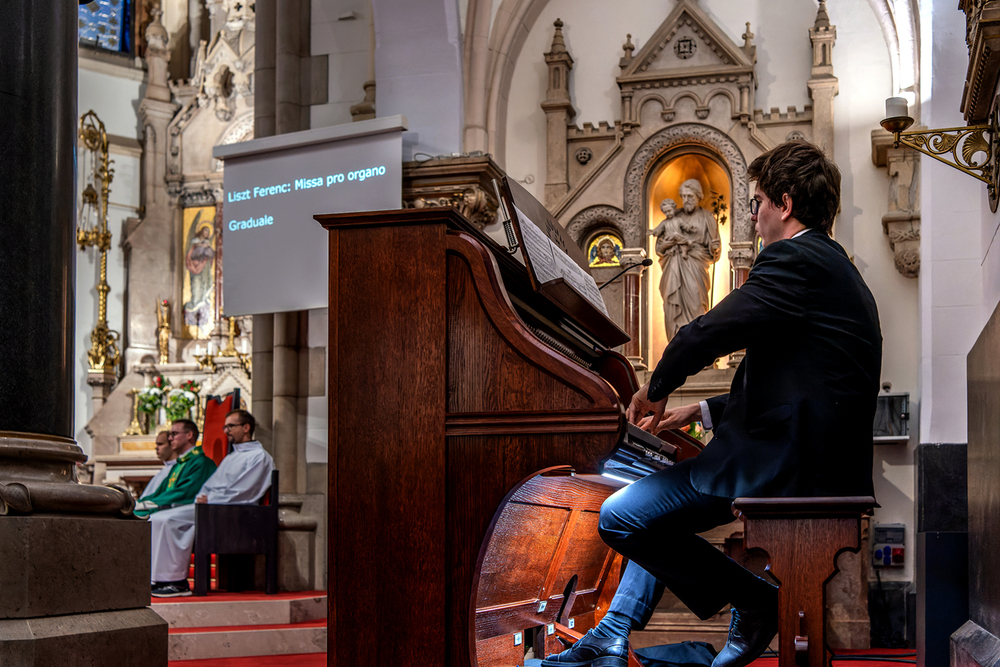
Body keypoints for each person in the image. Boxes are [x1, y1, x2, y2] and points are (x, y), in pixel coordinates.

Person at [541, 141, 882, 667]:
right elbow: (798, 385)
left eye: (759, 201)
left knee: (620, 515)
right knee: (651, 507)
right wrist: (695, 412)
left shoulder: (793, 258)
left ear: (784, 205)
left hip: (785, 467)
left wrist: (653, 389)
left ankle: (754, 600)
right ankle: (613, 632)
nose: (753, 215)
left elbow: (707, 332)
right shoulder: (834, 267)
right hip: (809, 459)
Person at [150, 409, 276, 597]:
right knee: (157, 518)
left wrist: (210, 501)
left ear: (246, 427)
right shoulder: (231, 457)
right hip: (212, 508)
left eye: (231, 426)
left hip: (233, 512)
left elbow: (245, 491)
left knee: (168, 520)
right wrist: (202, 498)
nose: (226, 431)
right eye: (225, 426)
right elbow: (210, 485)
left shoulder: (259, 457)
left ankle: (177, 583)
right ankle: (160, 579)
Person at [654, 179, 722, 340]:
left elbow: (714, 253)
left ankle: (697, 349)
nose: (686, 200)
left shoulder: (708, 218)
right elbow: (659, 249)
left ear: (698, 196)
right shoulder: (672, 216)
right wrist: (668, 243)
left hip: (697, 267)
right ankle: (675, 348)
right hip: (673, 266)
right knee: (672, 307)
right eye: (683, 196)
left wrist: (715, 247)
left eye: (690, 196)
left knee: (696, 305)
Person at [134, 419, 216, 518]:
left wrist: (149, 504)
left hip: (189, 509)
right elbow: (161, 491)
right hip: (170, 506)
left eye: (174, 434)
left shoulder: (201, 463)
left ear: (189, 435)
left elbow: (185, 493)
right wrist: (139, 503)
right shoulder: (180, 464)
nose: (170, 439)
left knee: (156, 519)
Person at [139, 430, 178, 501]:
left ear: (172, 445)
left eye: (160, 444)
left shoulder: (178, 469)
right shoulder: (163, 471)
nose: (156, 448)